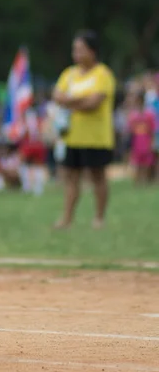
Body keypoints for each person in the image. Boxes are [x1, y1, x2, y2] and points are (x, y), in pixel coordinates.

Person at [53, 30, 116, 229]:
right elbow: (57, 96)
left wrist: (70, 101)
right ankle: (67, 218)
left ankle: (99, 218)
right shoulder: (69, 74)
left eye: (81, 49)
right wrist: (81, 100)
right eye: (75, 49)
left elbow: (95, 103)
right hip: (72, 137)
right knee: (71, 178)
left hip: (96, 138)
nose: (76, 53)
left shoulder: (103, 74)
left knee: (98, 177)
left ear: (93, 51)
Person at [127, 91, 155, 184]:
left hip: (146, 140)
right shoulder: (133, 115)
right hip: (137, 141)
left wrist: (152, 142)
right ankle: (138, 181)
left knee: (147, 162)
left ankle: (146, 180)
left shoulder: (149, 113)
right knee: (137, 162)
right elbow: (130, 129)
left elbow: (152, 129)